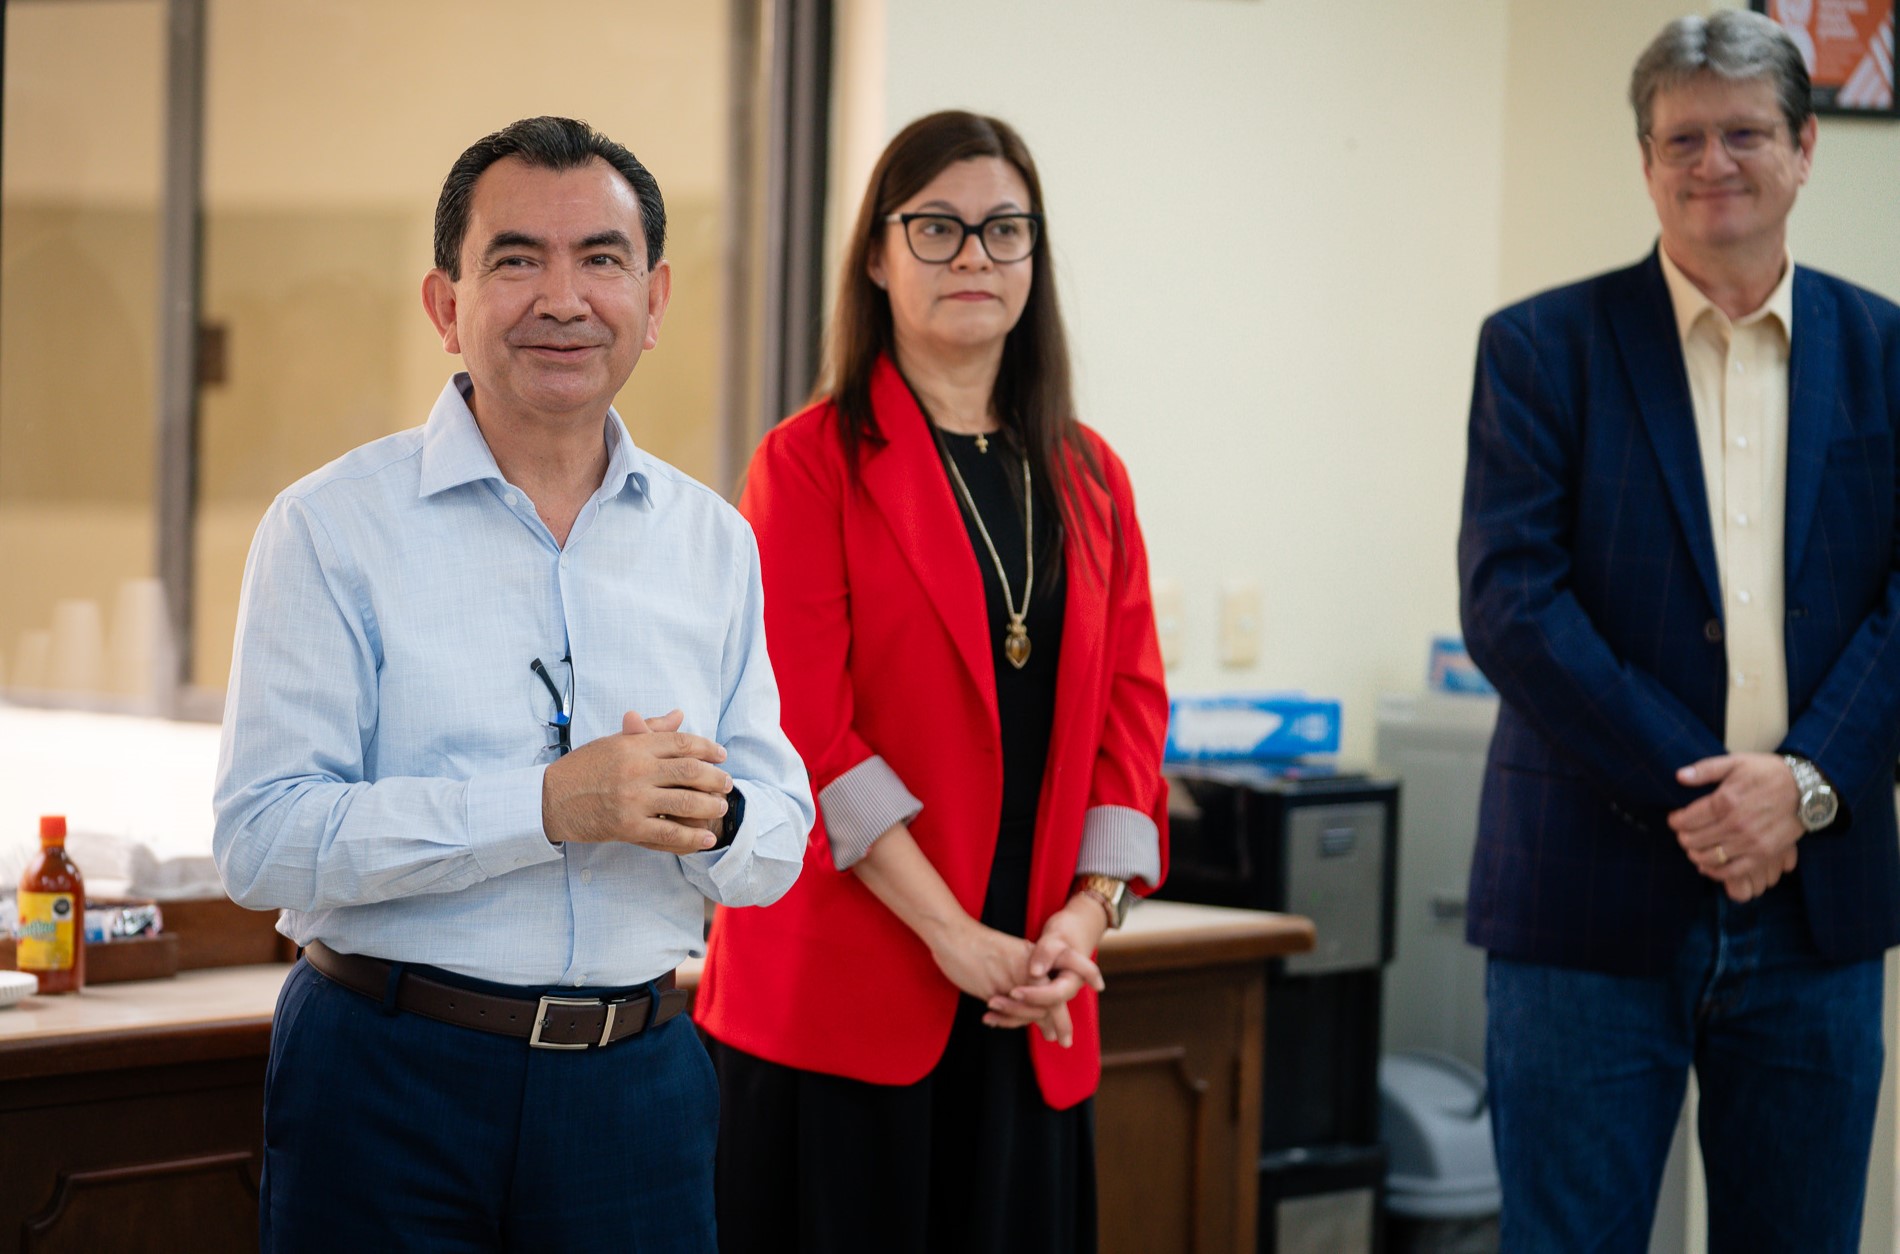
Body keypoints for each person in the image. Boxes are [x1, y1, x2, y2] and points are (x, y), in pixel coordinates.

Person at [212, 116, 813, 1252]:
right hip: (387, 1076)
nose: (563, 297)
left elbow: (778, 836)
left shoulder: (714, 542)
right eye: (515, 259)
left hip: (638, 1086)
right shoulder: (330, 528)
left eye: (600, 259)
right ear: (445, 301)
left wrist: (714, 814)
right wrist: (546, 807)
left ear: (655, 297)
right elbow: (262, 840)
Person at [1458, 12, 1900, 1251]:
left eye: (1745, 133)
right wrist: (1717, 800)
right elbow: (1510, 603)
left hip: (1818, 907)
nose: (1713, 163)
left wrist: (1801, 788)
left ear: (1805, 150)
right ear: (1646, 160)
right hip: (1583, 907)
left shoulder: (1887, 354)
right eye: (1682, 139)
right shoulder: (1542, 350)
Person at [694, 110, 1170, 1254]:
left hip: (1032, 996)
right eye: (938, 228)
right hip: (844, 1008)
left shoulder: (1091, 474)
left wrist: (1079, 922)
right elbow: (808, 730)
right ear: (876, 253)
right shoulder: (807, 461)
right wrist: (953, 935)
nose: (974, 257)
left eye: (1004, 231)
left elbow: (1132, 718)